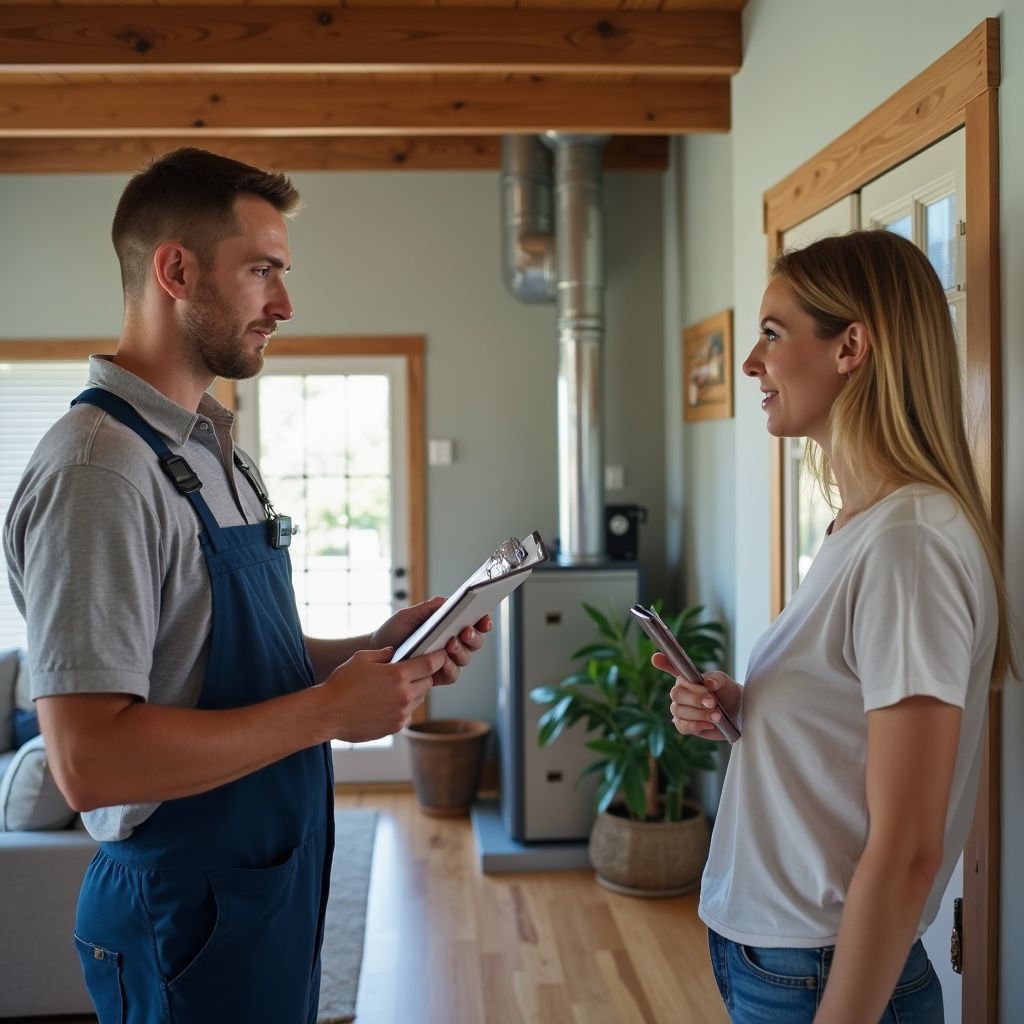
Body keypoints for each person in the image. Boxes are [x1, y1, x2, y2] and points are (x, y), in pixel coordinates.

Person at [2, 147, 490, 1024]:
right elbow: (87, 762)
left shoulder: (213, 449)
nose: (286, 304)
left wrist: (373, 647)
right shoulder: (98, 472)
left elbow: (227, 652)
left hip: (263, 884)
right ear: (176, 270)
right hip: (182, 910)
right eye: (261, 270)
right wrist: (332, 714)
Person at [663, 229, 1015, 1023]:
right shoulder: (864, 528)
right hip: (783, 958)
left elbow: (909, 846)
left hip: (825, 975)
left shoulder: (908, 545)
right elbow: (853, 730)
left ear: (851, 345)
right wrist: (748, 707)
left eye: (773, 334)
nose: (753, 362)